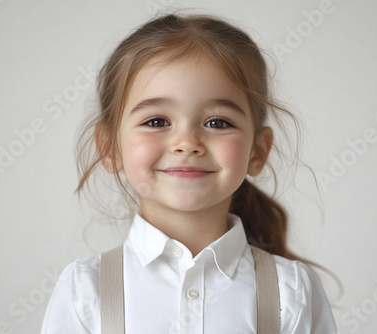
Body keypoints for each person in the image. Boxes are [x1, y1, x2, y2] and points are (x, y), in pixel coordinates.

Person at [41, 13, 337, 334]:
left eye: (218, 122)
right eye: (156, 121)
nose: (187, 143)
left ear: (258, 151)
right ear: (111, 147)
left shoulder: (292, 291)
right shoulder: (84, 290)